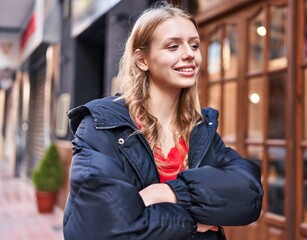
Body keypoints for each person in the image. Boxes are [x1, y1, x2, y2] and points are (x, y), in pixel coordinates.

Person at [63, 2, 263, 240]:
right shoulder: (101, 125)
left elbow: (248, 194)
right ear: (142, 60)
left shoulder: (200, 129)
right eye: (173, 46)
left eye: (194, 45)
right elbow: (103, 227)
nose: (189, 53)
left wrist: (169, 193)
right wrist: (192, 221)